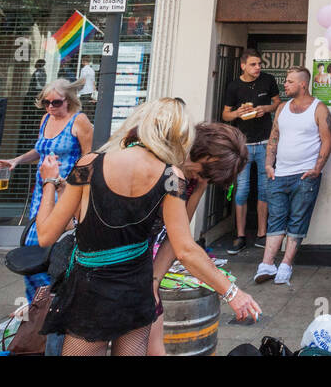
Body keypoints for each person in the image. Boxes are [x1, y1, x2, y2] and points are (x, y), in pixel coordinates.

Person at [35, 98, 260, 355]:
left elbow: (46, 235)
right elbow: (184, 245)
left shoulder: (88, 165)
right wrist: (232, 293)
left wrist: (49, 182)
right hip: (136, 285)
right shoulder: (171, 178)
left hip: (94, 286)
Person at [148, 121, 249, 355]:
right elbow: (184, 247)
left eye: (207, 177)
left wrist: (153, 281)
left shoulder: (189, 178)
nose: (199, 176)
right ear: (200, 149)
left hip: (143, 263)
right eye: (203, 171)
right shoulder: (164, 167)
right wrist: (231, 293)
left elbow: (179, 231)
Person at [0, 79, 93, 305]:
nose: (50, 107)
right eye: (46, 102)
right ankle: (39, 303)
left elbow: (89, 159)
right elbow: (41, 150)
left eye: (56, 103)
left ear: (69, 100)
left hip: (65, 190)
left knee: (46, 248)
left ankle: (48, 302)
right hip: (43, 189)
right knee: (33, 248)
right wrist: (16, 160)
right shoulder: (46, 119)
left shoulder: (80, 121)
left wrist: (73, 188)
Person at [255, 67, 331, 286]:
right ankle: (267, 264)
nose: (285, 85)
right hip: (279, 173)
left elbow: (326, 140)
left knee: (297, 220)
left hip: (304, 175)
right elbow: (274, 137)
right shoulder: (282, 108)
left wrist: (317, 168)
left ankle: (286, 264)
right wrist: (269, 164)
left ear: (303, 85)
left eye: (289, 82)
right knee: (276, 218)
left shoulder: (319, 109)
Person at [220, 50, 279, 254]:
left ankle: (262, 234)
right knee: (242, 189)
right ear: (243, 66)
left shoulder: (268, 80)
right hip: (243, 144)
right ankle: (241, 235)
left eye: (259, 64)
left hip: (264, 143)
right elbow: (225, 115)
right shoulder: (234, 86)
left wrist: (266, 109)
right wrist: (238, 113)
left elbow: (277, 103)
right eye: (253, 64)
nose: (258, 68)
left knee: (264, 189)